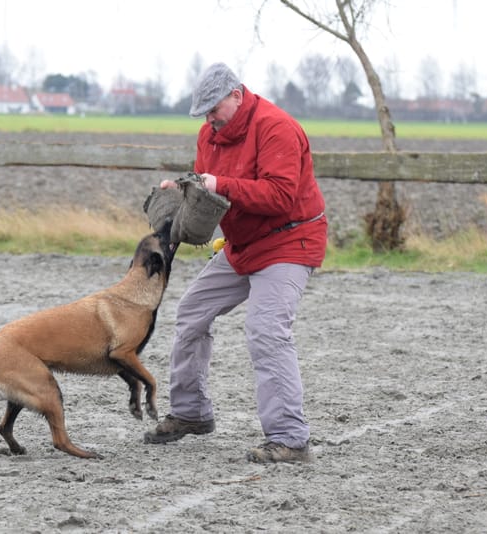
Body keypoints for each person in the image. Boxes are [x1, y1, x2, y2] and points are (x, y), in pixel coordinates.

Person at [143, 62, 327, 463]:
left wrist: (219, 184)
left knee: (265, 329)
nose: (209, 119)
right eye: (204, 113)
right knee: (191, 312)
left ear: (237, 96)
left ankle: (291, 438)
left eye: (214, 109)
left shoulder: (278, 128)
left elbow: (280, 196)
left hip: (289, 242)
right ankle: (192, 413)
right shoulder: (209, 135)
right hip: (242, 245)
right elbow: (209, 192)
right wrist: (183, 193)